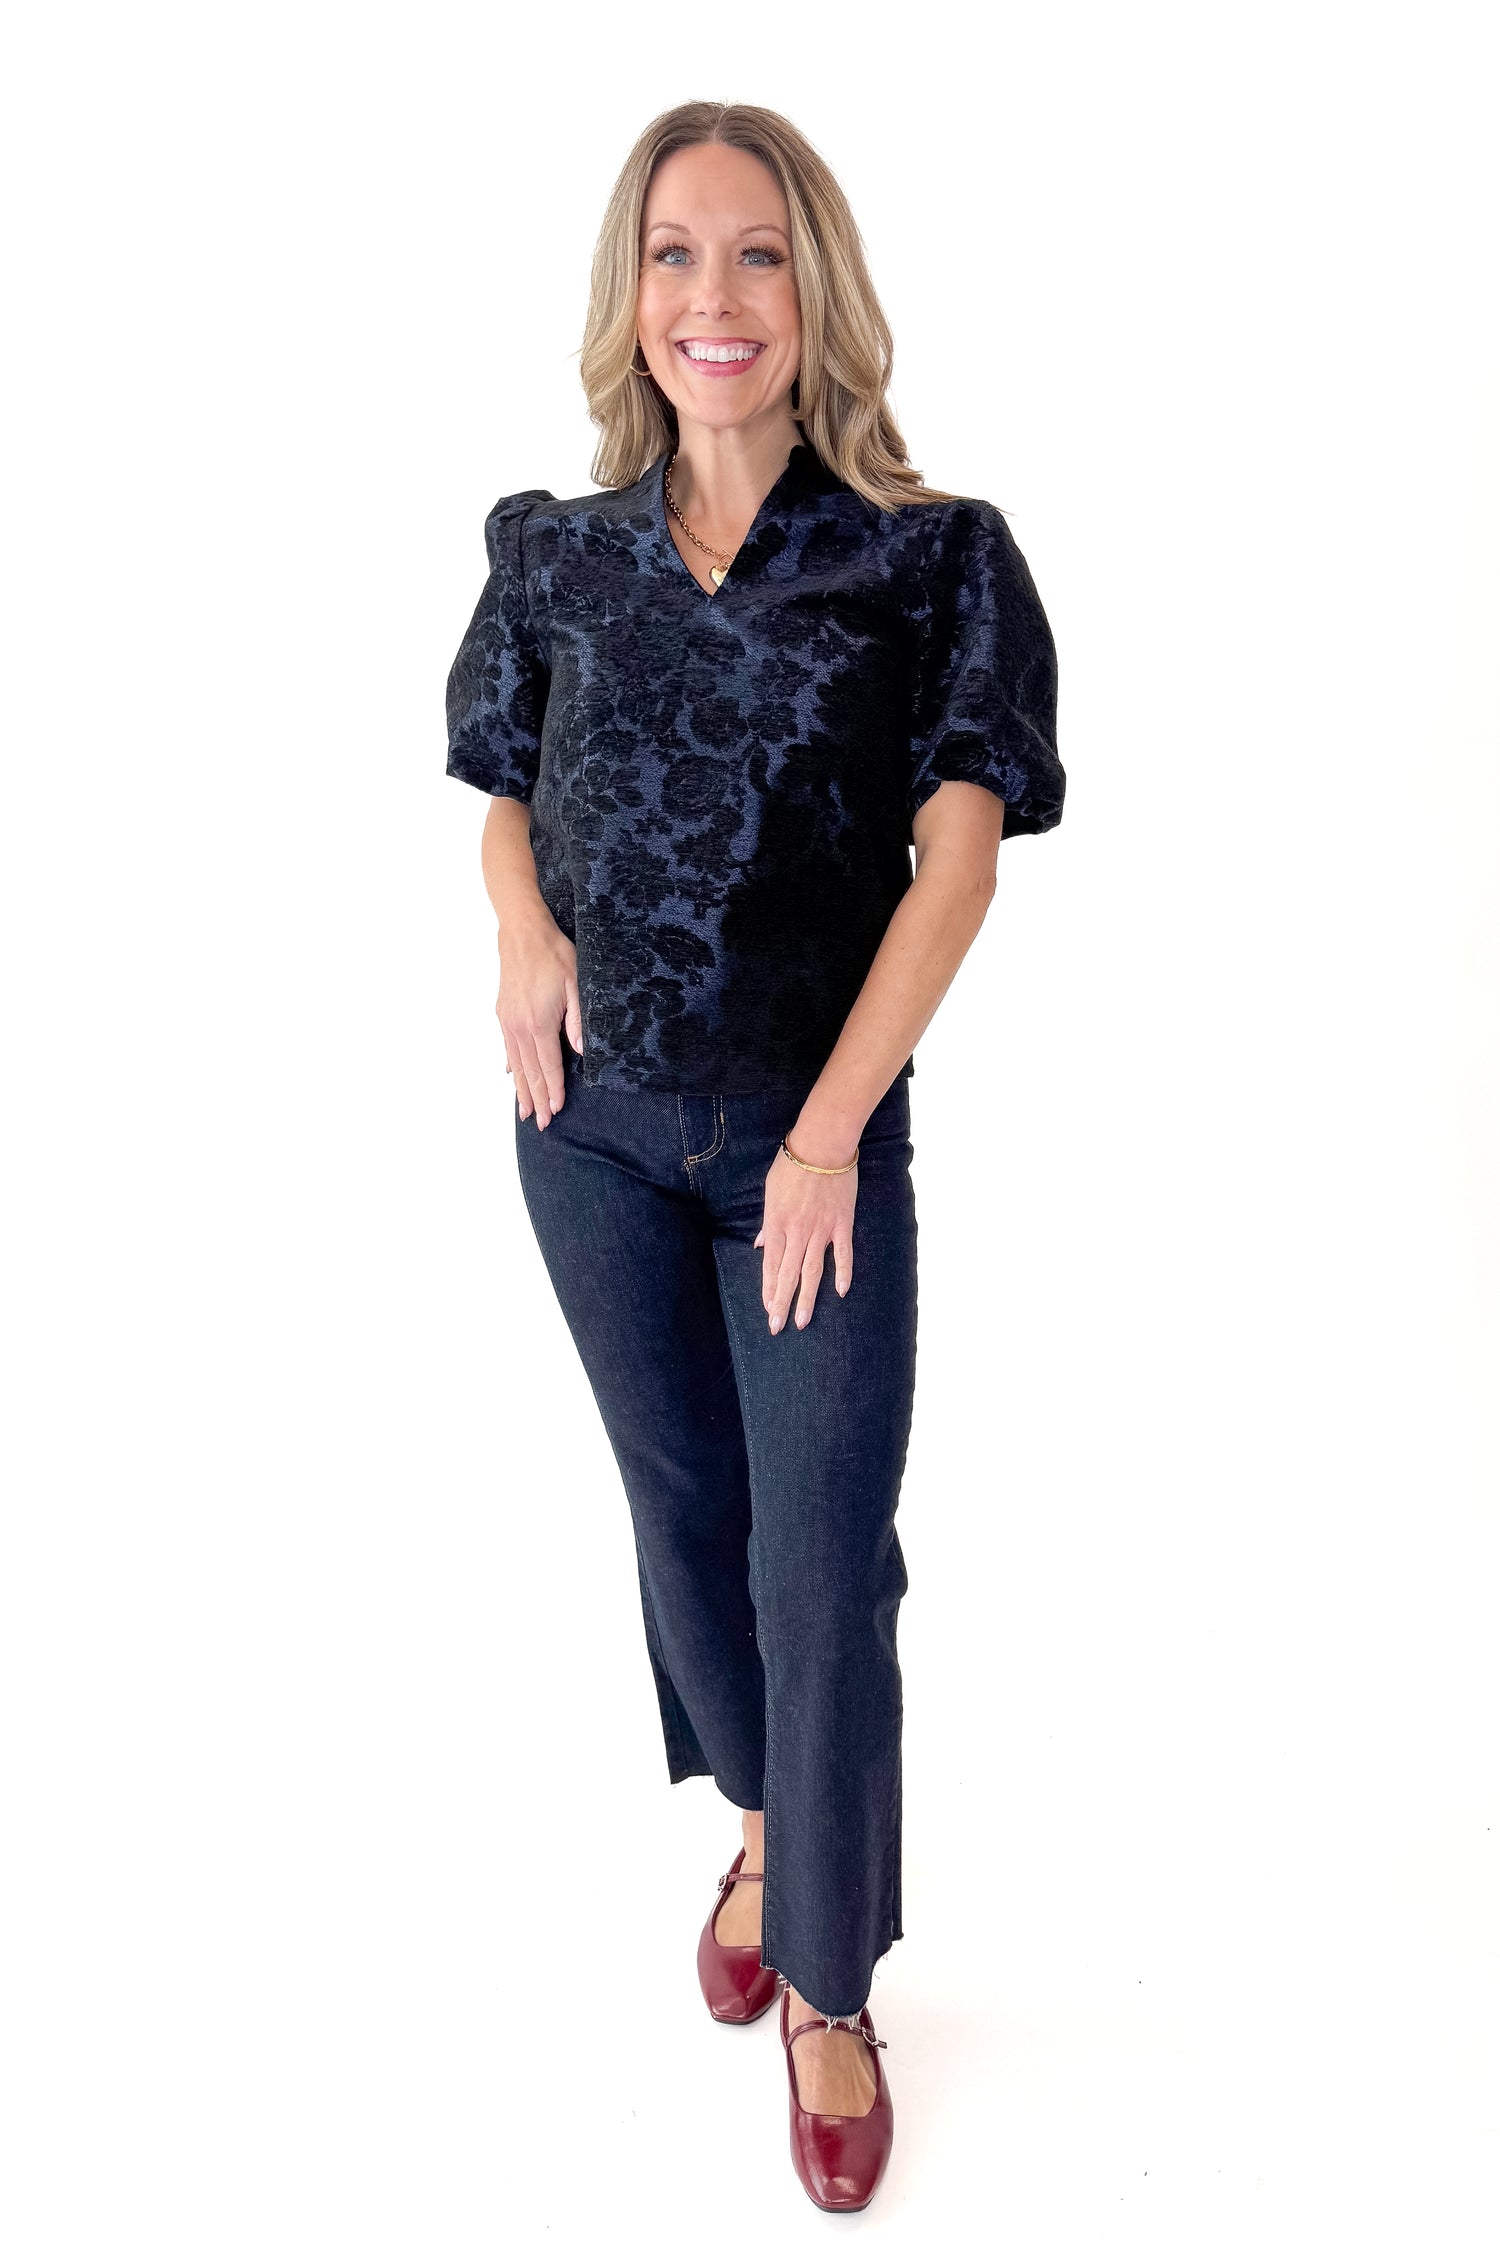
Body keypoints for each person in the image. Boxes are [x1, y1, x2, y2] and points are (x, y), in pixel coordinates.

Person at [444, 99, 1065, 2213]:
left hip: (811, 1146)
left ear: (822, 293)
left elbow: (959, 867)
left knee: (821, 1560)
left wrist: (826, 1139)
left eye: (761, 256)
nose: (718, 299)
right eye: (680, 255)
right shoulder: (554, 545)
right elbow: (504, 777)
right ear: (635, 295)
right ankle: (770, 1826)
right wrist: (520, 931)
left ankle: (828, 1983)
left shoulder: (930, 557)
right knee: (684, 1514)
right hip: (594, 1138)